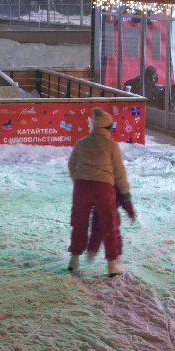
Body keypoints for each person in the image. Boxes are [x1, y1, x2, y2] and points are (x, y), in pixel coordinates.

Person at [65, 108, 136, 276]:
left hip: (81, 186)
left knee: (79, 222)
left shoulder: (82, 143)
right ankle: (112, 265)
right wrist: (125, 194)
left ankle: (74, 259)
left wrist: (79, 179)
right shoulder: (111, 146)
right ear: (108, 128)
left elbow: (71, 164)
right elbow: (119, 173)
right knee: (109, 224)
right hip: (104, 188)